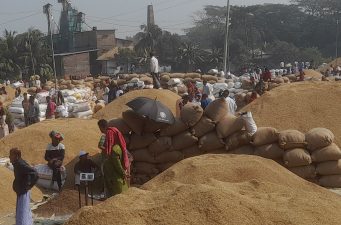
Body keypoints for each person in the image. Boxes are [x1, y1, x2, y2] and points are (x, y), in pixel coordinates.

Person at [98, 119, 130, 197]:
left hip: (114, 177)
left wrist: (123, 173)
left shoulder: (114, 150)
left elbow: (117, 164)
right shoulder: (118, 148)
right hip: (114, 174)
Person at [10, 148, 38, 225]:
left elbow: (35, 172)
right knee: (22, 213)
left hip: (23, 192)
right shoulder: (17, 163)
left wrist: (30, 185)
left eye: (11, 155)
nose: (9, 157)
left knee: (22, 213)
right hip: (21, 192)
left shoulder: (20, 164)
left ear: (16, 156)